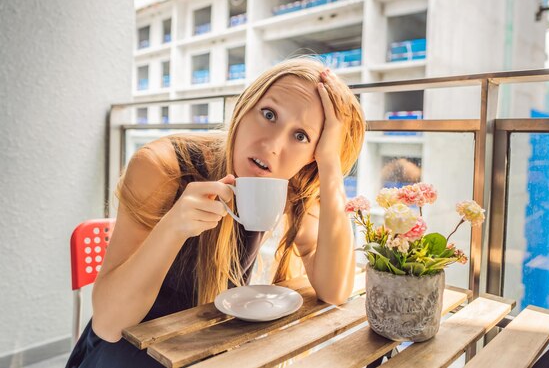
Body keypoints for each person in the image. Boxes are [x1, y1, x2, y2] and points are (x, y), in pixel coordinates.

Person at [66, 57, 366, 367]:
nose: (272, 145)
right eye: (268, 114)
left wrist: (330, 166)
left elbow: (334, 291)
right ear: (244, 108)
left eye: (301, 136)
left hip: (204, 349)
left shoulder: (288, 188)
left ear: (311, 157)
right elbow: (109, 324)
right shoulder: (163, 166)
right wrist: (174, 228)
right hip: (126, 352)